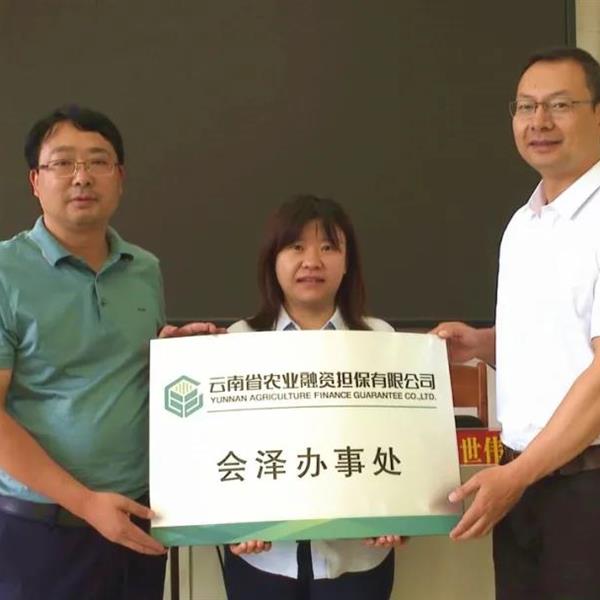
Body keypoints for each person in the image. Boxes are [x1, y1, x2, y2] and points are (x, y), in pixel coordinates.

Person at [0, 105, 221, 599]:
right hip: (44, 530)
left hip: (137, 518)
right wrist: (84, 502)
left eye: (98, 162)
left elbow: (127, 371)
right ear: (35, 180)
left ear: (119, 177)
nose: (82, 177)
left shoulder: (143, 268)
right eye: (63, 163)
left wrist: (174, 357)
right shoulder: (4, 273)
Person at [433, 47, 600, 600]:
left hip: (586, 489)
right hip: (523, 484)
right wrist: (481, 345)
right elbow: (563, 339)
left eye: (560, 105)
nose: (539, 122)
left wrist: (518, 476)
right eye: (526, 106)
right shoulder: (523, 224)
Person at [224, 195, 406, 600]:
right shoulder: (238, 341)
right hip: (262, 556)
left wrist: (400, 511)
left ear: (347, 262)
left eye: (328, 247)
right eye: (296, 247)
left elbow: (403, 444)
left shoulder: (381, 340)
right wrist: (232, 521)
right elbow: (218, 449)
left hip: (358, 554)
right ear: (273, 260)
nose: (312, 261)